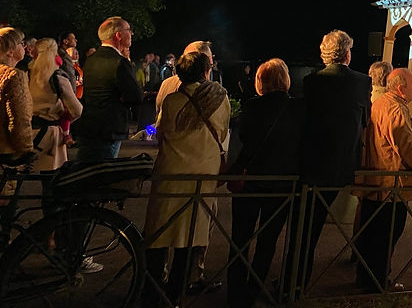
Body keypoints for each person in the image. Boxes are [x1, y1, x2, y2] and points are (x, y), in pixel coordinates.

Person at [143, 50, 230, 307]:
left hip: (170, 174)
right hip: (202, 176)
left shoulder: (172, 101)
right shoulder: (219, 98)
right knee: (189, 237)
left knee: (159, 234)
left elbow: (160, 133)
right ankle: (175, 295)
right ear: (206, 72)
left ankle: (151, 292)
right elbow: (222, 132)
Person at [287, 30, 371, 293]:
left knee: (304, 230)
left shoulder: (313, 82)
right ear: (347, 54)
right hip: (345, 165)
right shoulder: (362, 82)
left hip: (313, 165)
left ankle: (295, 284)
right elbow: (365, 121)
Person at [357, 67, 412, 291]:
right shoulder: (396, 110)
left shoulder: (379, 103)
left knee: (371, 236)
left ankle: (366, 279)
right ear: (400, 88)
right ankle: (377, 284)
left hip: (375, 183)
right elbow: (407, 149)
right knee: (386, 236)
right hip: (390, 186)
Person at [227, 59, 303, 308]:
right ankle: (254, 289)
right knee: (268, 241)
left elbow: (244, 138)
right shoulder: (297, 108)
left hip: (251, 179)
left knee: (240, 237)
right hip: (282, 183)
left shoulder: (253, 106)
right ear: (285, 80)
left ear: (261, 82)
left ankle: (235, 292)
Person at [72, 17, 142, 162]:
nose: (131, 34)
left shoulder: (91, 59)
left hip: (90, 125)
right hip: (110, 128)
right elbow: (135, 96)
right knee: (103, 170)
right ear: (118, 35)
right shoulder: (119, 62)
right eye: (128, 30)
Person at [28, 38, 82, 170]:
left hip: (28, 132)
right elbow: (77, 110)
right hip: (51, 133)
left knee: (27, 173)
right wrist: (65, 118)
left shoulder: (26, 75)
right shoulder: (57, 77)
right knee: (51, 174)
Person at [0, 27, 33, 159]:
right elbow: (19, 117)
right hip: (6, 149)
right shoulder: (14, 75)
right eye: (21, 43)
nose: (25, 46)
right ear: (10, 51)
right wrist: (25, 148)